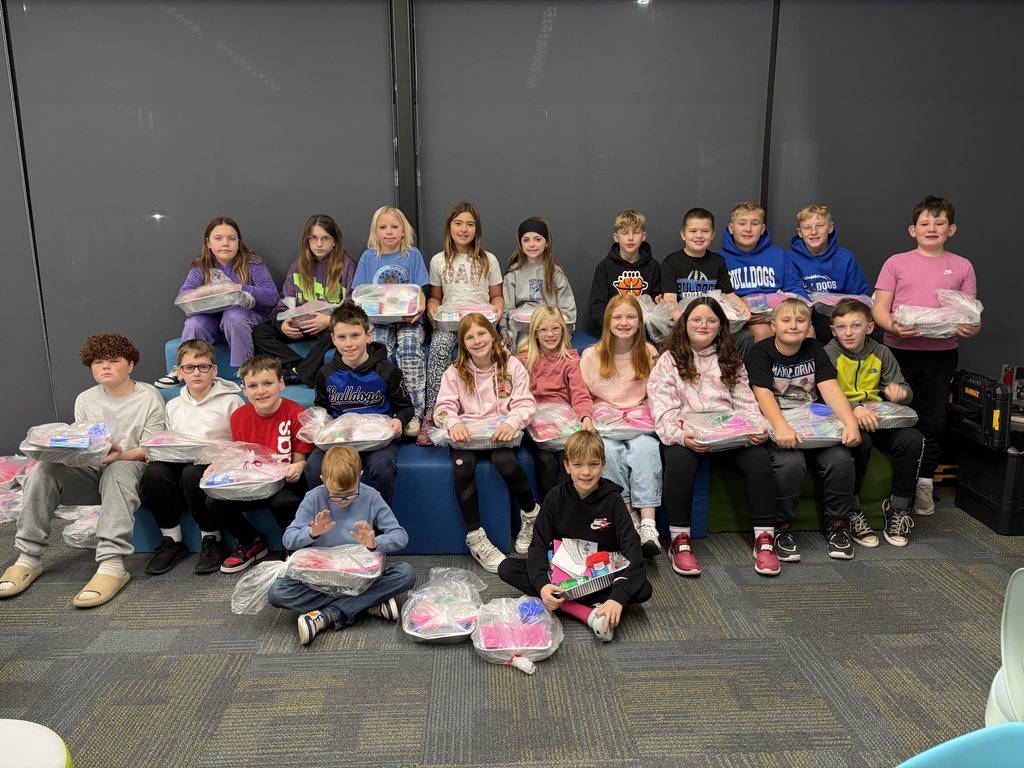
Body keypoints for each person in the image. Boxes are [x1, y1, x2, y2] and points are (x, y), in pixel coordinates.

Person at [0, 334, 165, 608]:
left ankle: (112, 564)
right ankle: (28, 558)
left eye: (114, 360)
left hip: (133, 472)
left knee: (118, 468)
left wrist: (120, 454)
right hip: (94, 471)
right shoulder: (86, 399)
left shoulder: (148, 397)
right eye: (99, 362)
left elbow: (152, 447)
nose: (106, 367)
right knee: (43, 471)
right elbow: (85, 445)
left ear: (131, 365)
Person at [647, 297, 778, 577]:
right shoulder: (668, 360)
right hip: (690, 433)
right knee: (679, 462)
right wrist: (682, 436)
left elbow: (745, 400)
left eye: (711, 320)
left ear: (720, 326)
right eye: (696, 319)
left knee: (759, 459)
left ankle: (765, 539)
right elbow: (662, 410)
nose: (703, 325)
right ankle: (680, 541)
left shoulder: (730, 357)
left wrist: (757, 426)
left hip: (728, 433)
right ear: (685, 324)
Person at [872, 195, 979, 516]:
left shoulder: (962, 266)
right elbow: (878, 308)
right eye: (925, 223)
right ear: (912, 230)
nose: (932, 228)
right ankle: (890, 482)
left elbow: (969, 314)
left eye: (939, 222)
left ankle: (923, 483)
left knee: (932, 421)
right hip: (896, 354)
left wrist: (972, 327)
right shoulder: (896, 262)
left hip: (941, 356)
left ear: (952, 229)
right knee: (890, 417)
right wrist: (893, 325)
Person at [497, 431, 652, 643]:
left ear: (604, 465)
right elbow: (538, 547)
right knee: (507, 568)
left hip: (601, 576)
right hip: (563, 577)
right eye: (578, 465)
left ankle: (571, 605)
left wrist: (617, 597)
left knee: (643, 589)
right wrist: (542, 585)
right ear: (567, 466)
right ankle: (585, 611)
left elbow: (633, 551)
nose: (586, 472)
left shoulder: (614, 501)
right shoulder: (554, 498)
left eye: (593, 464)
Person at [746, 298, 861, 561]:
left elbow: (830, 387)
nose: (793, 326)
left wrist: (850, 421)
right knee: (790, 465)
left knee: (841, 459)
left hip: (813, 422)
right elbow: (763, 395)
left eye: (800, 320)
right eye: (786, 320)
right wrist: (782, 427)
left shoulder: (814, 349)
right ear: (773, 325)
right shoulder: (761, 352)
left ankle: (838, 526)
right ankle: (782, 529)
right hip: (779, 423)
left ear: (810, 325)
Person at [267, 446, 416, 647]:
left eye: (350, 494)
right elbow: (289, 539)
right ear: (323, 479)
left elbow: (400, 536)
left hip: (361, 575)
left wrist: (375, 543)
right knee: (276, 592)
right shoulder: (313, 498)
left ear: (360, 476)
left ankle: (327, 615)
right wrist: (311, 533)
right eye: (336, 495)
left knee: (406, 573)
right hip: (322, 576)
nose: (343, 501)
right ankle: (367, 604)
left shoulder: (371, 497)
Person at [433, 313, 539, 572]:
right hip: (467, 436)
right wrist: (453, 423)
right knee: (462, 466)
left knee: (504, 462)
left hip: (500, 432)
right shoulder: (455, 371)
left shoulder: (511, 366)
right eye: (470, 337)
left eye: (482, 333)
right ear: (463, 343)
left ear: (493, 335)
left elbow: (525, 403)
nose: (477, 340)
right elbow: (442, 408)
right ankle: (476, 537)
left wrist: (511, 422)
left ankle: (531, 513)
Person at [825, 298, 923, 547]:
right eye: (841, 327)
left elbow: (902, 387)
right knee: (861, 442)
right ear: (832, 330)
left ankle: (898, 508)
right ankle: (853, 510)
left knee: (912, 440)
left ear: (869, 327)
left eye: (855, 326)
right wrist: (854, 409)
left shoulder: (881, 352)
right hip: (843, 419)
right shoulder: (827, 353)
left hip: (880, 419)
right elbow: (821, 396)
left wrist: (900, 393)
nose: (848, 332)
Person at [142, 339, 244, 575]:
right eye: (189, 367)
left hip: (215, 463)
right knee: (155, 473)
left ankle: (212, 539)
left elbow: (238, 443)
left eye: (203, 366)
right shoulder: (174, 405)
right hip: (180, 459)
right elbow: (169, 439)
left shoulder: (232, 400)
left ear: (214, 370)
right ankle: (171, 540)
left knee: (192, 475)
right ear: (179, 372)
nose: (196, 372)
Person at [206, 355, 312, 574]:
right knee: (214, 501)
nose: (260, 391)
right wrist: (219, 466)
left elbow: (301, 459)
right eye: (252, 386)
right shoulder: (238, 416)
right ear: (244, 390)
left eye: (268, 383)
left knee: (282, 502)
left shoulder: (295, 413)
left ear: (281, 384)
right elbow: (239, 454)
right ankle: (250, 541)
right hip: (253, 482)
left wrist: (298, 467)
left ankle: (293, 544)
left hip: (285, 483)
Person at [579, 295, 663, 557]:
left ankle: (648, 523)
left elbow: (656, 392)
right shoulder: (592, 355)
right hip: (606, 420)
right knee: (610, 452)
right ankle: (628, 519)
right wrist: (586, 418)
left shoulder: (648, 352)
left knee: (645, 449)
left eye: (630, 317)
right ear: (608, 322)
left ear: (640, 322)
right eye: (617, 317)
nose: (624, 322)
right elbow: (582, 394)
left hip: (640, 419)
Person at [308, 303, 412, 506]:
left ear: (368, 335)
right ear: (333, 339)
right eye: (342, 337)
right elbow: (321, 409)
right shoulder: (326, 374)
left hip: (378, 438)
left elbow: (406, 407)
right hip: (340, 438)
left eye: (355, 335)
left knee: (383, 467)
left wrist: (399, 421)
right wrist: (319, 423)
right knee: (313, 467)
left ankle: (380, 522)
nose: (349, 343)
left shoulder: (387, 370)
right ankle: (327, 519)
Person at [418, 202, 504, 446]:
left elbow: (496, 295)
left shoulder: (489, 259)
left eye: (470, 224)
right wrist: (433, 306)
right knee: (437, 352)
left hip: (480, 324)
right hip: (450, 325)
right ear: (449, 227)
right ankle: (432, 415)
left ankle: (497, 412)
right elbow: (435, 296)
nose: (464, 229)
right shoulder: (438, 260)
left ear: (477, 229)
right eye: (458, 223)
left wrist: (498, 306)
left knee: (500, 354)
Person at [157, 216, 277, 387]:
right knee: (194, 323)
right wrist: (205, 291)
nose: (225, 243)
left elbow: (271, 296)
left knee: (233, 315)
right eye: (218, 238)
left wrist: (238, 288)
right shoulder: (201, 266)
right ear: (208, 243)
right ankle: (182, 370)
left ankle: (246, 371)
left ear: (238, 242)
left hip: (244, 322)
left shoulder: (252, 263)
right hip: (214, 324)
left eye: (231, 238)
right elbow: (183, 296)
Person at [251, 214, 356, 387]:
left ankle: (300, 372)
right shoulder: (298, 266)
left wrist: (329, 320)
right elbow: (282, 303)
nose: (319, 244)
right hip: (302, 323)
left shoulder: (346, 266)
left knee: (340, 330)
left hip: (327, 324)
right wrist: (283, 323)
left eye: (325, 238)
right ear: (307, 241)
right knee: (260, 331)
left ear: (334, 241)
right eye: (313, 238)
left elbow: (353, 307)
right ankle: (300, 368)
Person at [352, 206, 429, 437]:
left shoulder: (412, 255)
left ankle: (414, 412)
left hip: (408, 319)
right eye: (383, 227)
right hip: (378, 321)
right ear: (375, 231)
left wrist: (421, 305)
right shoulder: (368, 257)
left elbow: (421, 291)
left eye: (395, 227)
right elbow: (359, 295)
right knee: (377, 351)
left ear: (404, 231)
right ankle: (383, 410)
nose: (389, 232)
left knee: (409, 348)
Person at [515, 304, 595, 501]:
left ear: (563, 330)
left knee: (567, 460)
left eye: (555, 328)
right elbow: (515, 394)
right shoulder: (523, 360)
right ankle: (553, 512)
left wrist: (585, 416)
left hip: (562, 423)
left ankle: (566, 512)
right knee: (545, 460)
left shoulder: (570, 359)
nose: (550, 335)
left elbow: (579, 394)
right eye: (543, 329)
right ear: (535, 332)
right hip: (533, 422)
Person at [720, 202, 806, 355]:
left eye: (755, 223)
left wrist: (796, 311)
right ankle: (763, 377)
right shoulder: (720, 259)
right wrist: (742, 314)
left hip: (779, 314)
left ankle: (801, 377)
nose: (748, 229)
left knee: (808, 329)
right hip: (742, 320)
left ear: (763, 228)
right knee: (760, 331)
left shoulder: (777, 255)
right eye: (742, 223)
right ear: (731, 228)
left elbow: (795, 288)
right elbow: (718, 296)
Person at [784, 204, 870, 341]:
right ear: (799, 232)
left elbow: (859, 295)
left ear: (830, 228)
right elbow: (789, 290)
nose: (813, 232)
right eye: (807, 227)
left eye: (820, 226)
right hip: (802, 312)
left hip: (838, 313)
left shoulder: (845, 258)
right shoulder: (789, 259)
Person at [660, 207, 750, 322]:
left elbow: (729, 294)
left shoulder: (718, 261)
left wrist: (742, 307)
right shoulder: (671, 262)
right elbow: (669, 300)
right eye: (693, 231)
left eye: (705, 231)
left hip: (710, 321)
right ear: (683, 234)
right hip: (681, 320)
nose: (699, 236)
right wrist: (683, 323)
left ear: (712, 234)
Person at [501, 217, 577, 349]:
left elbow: (568, 311)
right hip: (523, 331)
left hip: (550, 332)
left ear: (546, 242)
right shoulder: (513, 274)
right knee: (527, 350)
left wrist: (566, 331)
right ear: (520, 243)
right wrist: (504, 331)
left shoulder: (556, 274)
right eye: (526, 240)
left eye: (537, 239)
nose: (531, 244)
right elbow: (507, 310)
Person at [589, 208, 662, 328]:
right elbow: (597, 305)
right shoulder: (604, 267)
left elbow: (655, 303)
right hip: (613, 330)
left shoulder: (653, 267)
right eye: (624, 233)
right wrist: (612, 326)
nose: (630, 238)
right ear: (616, 237)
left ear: (643, 236)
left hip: (643, 332)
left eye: (636, 232)